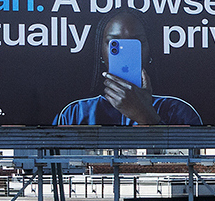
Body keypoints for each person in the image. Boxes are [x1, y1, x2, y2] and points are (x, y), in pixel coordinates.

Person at [53, 16, 205, 127]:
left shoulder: (178, 110)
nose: (126, 51)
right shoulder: (74, 112)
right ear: (100, 52)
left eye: (136, 42)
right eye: (115, 43)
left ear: (149, 49)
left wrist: (146, 116)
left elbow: (193, 161)